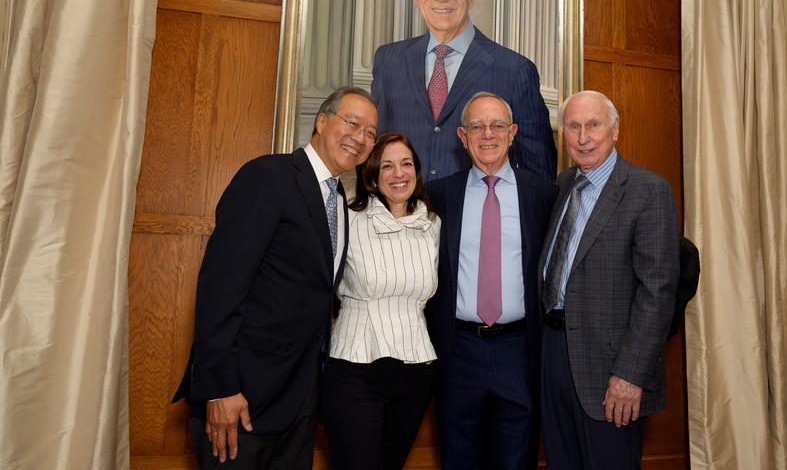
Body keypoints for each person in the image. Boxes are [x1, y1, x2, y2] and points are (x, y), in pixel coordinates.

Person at [171, 87, 378, 469]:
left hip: (298, 402)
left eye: (371, 133)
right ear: (321, 120)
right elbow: (221, 288)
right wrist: (219, 389)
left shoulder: (339, 205)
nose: (361, 138)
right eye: (353, 123)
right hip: (240, 399)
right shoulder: (268, 176)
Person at [539, 91, 680, 469]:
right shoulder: (561, 186)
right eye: (573, 126)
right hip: (553, 354)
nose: (583, 137)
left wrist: (629, 375)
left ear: (615, 130)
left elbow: (658, 292)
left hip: (611, 369)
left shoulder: (648, 191)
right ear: (563, 136)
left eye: (593, 125)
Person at [425, 92, 558, 469]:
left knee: (517, 460)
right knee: (458, 459)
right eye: (477, 126)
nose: (488, 134)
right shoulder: (438, 195)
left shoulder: (544, 195)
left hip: (520, 351)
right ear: (461, 136)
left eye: (497, 125)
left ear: (513, 133)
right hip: (456, 351)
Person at [371, 0, 557, 183]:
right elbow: (372, 149)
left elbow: (539, 174)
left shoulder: (515, 70)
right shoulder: (389, 60)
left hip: (477, 219)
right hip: (398, 217)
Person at [323, 133, 441, 470]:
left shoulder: (433, 224)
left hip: (416, 371)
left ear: (417, 172)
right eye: (386, 166)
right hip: (354, 367)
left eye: (406, 164)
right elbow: (316, 283)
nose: (398, 173)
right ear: (371, 177)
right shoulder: (347, 218)